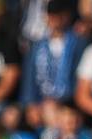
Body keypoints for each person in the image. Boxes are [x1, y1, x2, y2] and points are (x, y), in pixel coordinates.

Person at [21, 0, 88, 129]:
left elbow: (79, 77)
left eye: (59, 15)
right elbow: (30, 77)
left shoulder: (78, 42)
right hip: (43, 100)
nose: (55, 20)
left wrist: (63, 102)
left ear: (67, 16)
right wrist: (30, 105)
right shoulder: (38, 45)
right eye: (52, 15)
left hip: (69, 100)